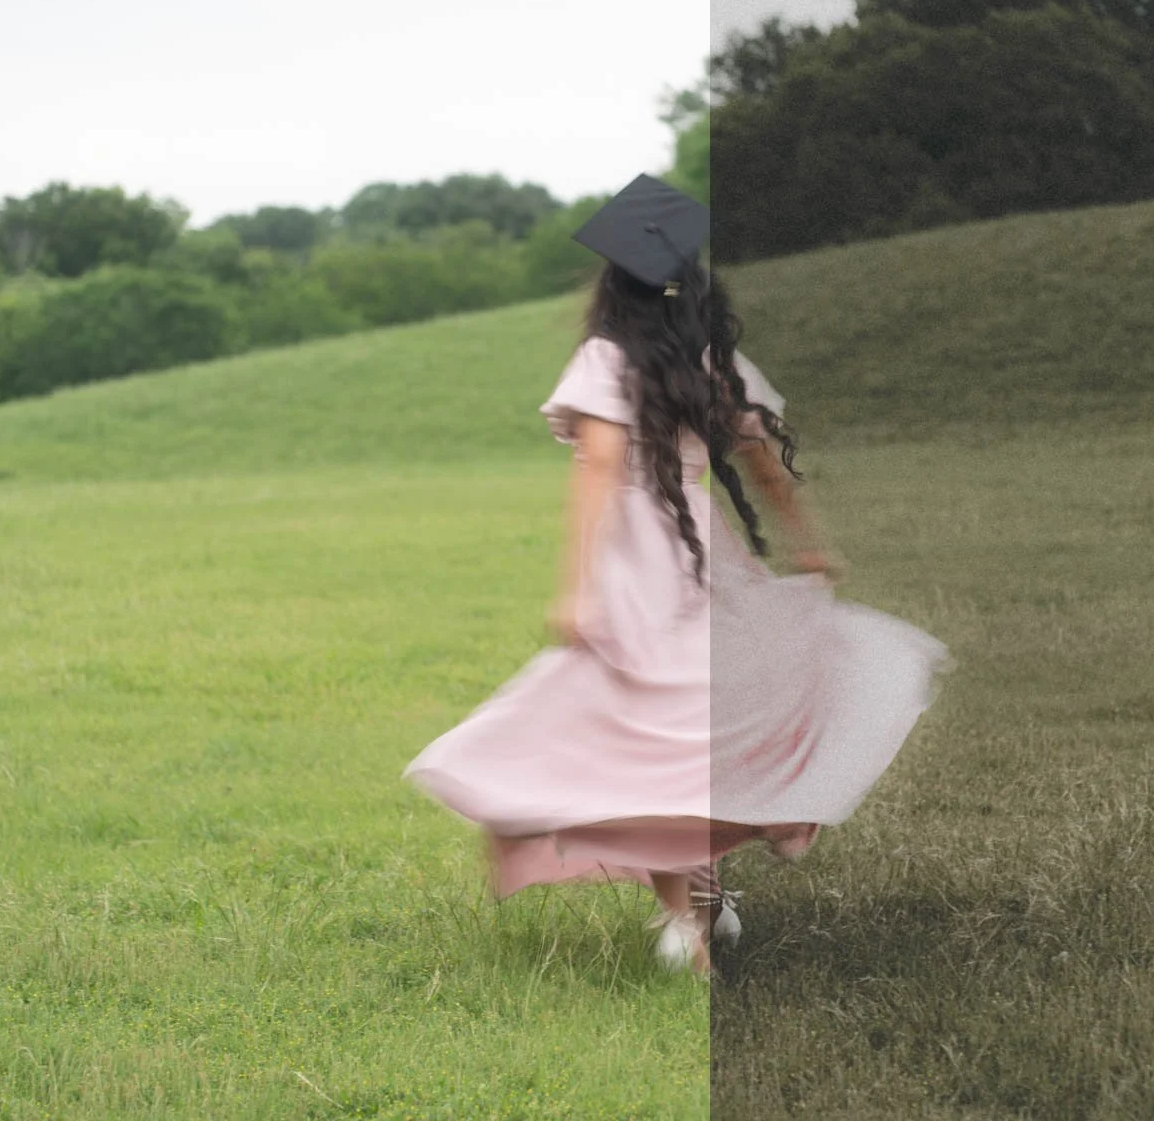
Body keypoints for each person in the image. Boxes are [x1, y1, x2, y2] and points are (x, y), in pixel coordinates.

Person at [403, 174, 949, 976]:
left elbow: (596, 475)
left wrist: (576, 586)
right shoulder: (714, 362)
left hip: (636, 553)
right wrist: (807, 548)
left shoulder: (604, 358)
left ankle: (680, 921)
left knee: (648, 731)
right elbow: (766, 469)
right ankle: (705, 900)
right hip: (705, 546)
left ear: (611, 286)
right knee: (698, 724)